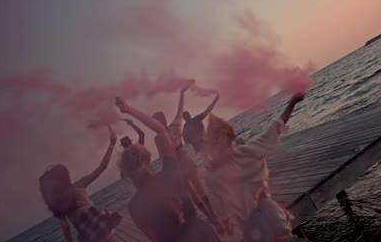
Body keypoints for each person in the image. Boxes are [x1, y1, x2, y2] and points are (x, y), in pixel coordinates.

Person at [115, 97, 220, 242]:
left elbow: (155, 239)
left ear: (127, 174)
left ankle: (214, 218)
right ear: (147, 160)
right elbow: (161, 130)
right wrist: (128, 109)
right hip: (203, 235)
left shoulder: (134, 207)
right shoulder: (170, 174)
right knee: (199, 191)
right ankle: (215, 219)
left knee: (196, 194)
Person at [204, 93, 305, 241]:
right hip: (250, 228)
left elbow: (274, 129)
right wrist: (226, 225)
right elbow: (218, 207)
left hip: (270, 215)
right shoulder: (212, 175)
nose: (215, 143)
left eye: (217, 138)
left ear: (227, 136)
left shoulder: (247, 152)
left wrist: (292, 103)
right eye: (211, 141)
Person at [152, 82, 223, 233]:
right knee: (199, 189)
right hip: (183, 159)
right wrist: (182, 92)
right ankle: (214, 217)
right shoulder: (175, 126)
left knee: (193, 192)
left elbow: (163, 158)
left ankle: (211, 217)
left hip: (175, 165)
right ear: (163, 120)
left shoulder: (159, 138)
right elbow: (180, 109)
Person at [39, 125, 122, 242]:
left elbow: (66, 228)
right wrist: (112, 144)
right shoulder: (78, 185)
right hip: (98, 222)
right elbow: (102, 167)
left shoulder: (58, 204)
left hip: (86, 233)